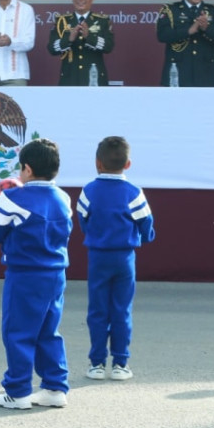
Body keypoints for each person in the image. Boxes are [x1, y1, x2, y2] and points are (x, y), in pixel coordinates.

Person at [0, 138, 72, 410]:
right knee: (48, 331)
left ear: (27, 169)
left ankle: (18, 392)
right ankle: (55, 387)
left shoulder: (13, 198)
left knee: (18, 332)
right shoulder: (64, 198)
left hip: (25, 275)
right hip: (56, 274)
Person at [77, 136, 156, 381]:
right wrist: (145, 237)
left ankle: (97, 364)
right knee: (122, 310)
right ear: (128, 164)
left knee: (97, 311)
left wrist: (94, 234)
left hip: (97, 257)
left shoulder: (89, 190)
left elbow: (82, 220)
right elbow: (146, 224)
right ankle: (121, 363)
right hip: (125, 258)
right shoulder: (134, 193)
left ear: (97, 163)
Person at [47, 0, 114, 86]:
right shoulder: (62, 21)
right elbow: (52, 48)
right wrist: (69, 39)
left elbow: (108, 46)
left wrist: (89, 37)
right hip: (70, 79)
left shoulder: (102, 21)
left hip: (94, 79)